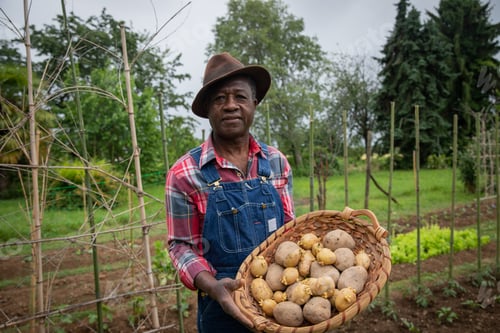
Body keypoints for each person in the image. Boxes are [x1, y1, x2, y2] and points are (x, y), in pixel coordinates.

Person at [165, 52, 295, 332]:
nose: (230, 106)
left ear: (254, 105)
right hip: (221, 309)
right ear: (208, 110)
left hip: (279, 304)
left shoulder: (276, 163)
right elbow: (181, 246)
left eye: (240, 97)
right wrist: (212, 287)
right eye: (219, 99)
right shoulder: (185, 173)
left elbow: (289, 233)